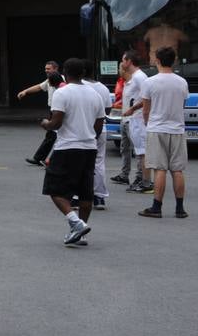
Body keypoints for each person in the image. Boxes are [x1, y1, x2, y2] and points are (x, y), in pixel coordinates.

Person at [38, 58, 107, 246]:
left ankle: (75, 222)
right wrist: (88, 135)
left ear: (65, 74)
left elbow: (56, 122)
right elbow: (99, 125)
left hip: (67, 147)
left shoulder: (62, 93)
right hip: (89, 147)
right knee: (85, 192)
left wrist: (45, 124)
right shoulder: (95, 95)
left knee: (54, 188)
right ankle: (80, 233)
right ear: (82, 73)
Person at [138, 46, 191, 219]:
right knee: (177, 170)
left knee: (160, 169)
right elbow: (182, 105)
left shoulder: (149, 82)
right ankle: (180, 208)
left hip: (157, 128)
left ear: (157, 60)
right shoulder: (182, 82)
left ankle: (157, 207)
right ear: (174, 61)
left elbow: (146, 110)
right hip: (177, 129)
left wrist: (148, 123)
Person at [118, 51, 154, 193]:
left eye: (123, 60)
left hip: (138, 119)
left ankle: (145, 181)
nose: (122, 63)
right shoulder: (133, 77)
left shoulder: (140, 77)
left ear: (129, 61)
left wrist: (133, 109)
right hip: (132, 119)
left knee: (142, 152)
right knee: (138, 151)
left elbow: (147, 98)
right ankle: (142, 180)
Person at [82, 61, 113, 209]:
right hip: (100, 128)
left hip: (82, 129)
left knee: (79, 163)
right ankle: (99, 196)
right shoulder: (103, 88)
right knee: (99, 163)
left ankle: (77, 196)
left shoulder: (77, 87)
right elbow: (107, 110)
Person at [18, 60, 61, 166]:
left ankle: (47, 159)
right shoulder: (49, 80)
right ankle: (41, 158)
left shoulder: (62, 81)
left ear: (56, 69)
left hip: (59, 111)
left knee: (55, 135)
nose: (46, 71)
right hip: (53, 110)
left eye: (48, 69)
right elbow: (39, 87)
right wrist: (25, 91)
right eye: (45, 69)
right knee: (52, 135)